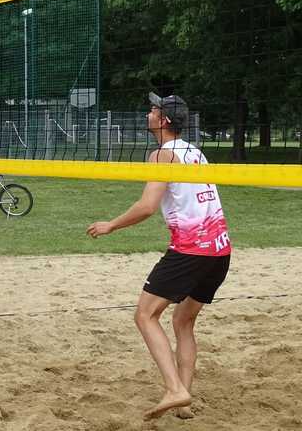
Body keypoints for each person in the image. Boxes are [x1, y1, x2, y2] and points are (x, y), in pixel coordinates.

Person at [87, 93, 231, 421]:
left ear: (163, 120)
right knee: (183, 321)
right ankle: (184, 403)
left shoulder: (162, 155)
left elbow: (147, 207)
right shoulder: (195, 151)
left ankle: (175, 388)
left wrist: (110, 225)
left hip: (191, 250)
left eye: (153, 109)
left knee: (145, 315)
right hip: (220, 249)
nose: (148, 112)